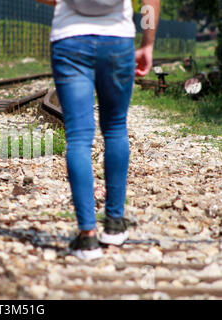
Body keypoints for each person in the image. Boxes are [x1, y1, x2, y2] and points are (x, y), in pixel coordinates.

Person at [35, 0, 160, 259]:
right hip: (117, 41)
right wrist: (148, 42)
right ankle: (114, 224)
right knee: (115, 128)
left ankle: (87, 237)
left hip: (69, 40)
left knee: (79, 137)